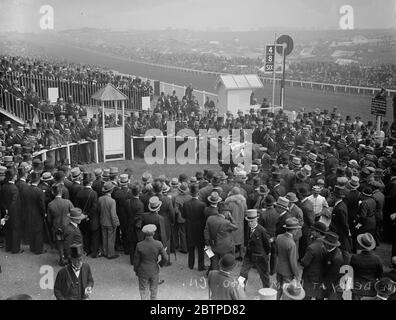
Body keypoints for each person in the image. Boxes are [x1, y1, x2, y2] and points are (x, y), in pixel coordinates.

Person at [133, 224, 168, 300]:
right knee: (154, 290)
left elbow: (136, 261)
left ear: (144, 234)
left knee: (143, 290)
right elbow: (165, 257)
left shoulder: (139, 245)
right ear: (154, 233)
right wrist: (160, 264)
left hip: (142, 271)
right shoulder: (159, 244)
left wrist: (136, 270)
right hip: (154, 270)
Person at [239, 209, 271, 289]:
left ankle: (267, 291)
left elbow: (268, 246)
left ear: (256, 219)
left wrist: (264, 254)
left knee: (264, 275)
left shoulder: (262, 230)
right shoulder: (248, 228)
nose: (250, 223)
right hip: (249, 255)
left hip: (260, 257)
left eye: (252, 221)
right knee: (243, 273)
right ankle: (240, 289)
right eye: (248, 221)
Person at [204, 203, 238, 273]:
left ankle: (213, 274)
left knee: (214, 261)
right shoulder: (226, 222)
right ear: (225, 212)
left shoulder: (210, 218)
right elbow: (236, 227)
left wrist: (207, 243)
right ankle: (221, 274)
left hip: (212, 244)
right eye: (228, 211)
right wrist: (231, 218)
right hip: (224, 247)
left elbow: (206, 231)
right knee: (224, 262)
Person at [274, 217, 301, 299]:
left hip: (278, 268)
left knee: (278, 289)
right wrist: (297, 275)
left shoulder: (279, 237)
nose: (297, 230)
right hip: (287, 272)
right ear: (293, 230)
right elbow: (292, 262)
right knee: (287, 293)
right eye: (296, 229)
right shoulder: (291, 243)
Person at [350, 233, 384, 299]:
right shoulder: (377, 259)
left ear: (360, 244)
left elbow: (352, 272)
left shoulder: (354, 258)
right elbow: (379, 275)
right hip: (371, 289)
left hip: (357, 289)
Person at [47, 184, 74, 266]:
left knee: (60, 244)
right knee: (68, 243)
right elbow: (73, 213)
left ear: (53, 192)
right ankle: (69, 258)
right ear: (61, 192)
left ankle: (62, 259)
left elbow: (49, 219)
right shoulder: (68, 202)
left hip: (57, 228)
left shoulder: (50, 204)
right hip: (68, 226)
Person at [182, 183, 207, 271]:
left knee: (191, 246)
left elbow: (183, 215)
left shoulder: (186, 204)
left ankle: (191, 265)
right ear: (198, 193)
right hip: (199, 227)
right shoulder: (202, 204)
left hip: (189, 227)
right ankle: (201, 266)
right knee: (200, 248)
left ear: (190, 193)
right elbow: (204, 217)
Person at [300, 222, 327, 300]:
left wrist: (301, 260)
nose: (311, 231)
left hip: (310, 277)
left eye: (313, 230)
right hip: (322, 276)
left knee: (306, 296)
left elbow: (304, 262)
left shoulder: (312, 247)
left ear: (318, 232)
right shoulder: (328, 244)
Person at [98, 181, 120, 259]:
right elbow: (113, 214)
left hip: (102, 221)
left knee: (104, 238)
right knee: (111, 239)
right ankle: (110, 254)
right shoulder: (112, 201)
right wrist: (116, 223)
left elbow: (99, 210)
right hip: (110, 223)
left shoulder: (100, 199)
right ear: (111, 190)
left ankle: (105, 252)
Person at [321, 232, 345, 300]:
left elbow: (333, 274)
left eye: (325, 243)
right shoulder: (332, 251)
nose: (323, 244)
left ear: (329, 245)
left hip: (334, 283)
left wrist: (324, 283)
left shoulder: (336, 258)